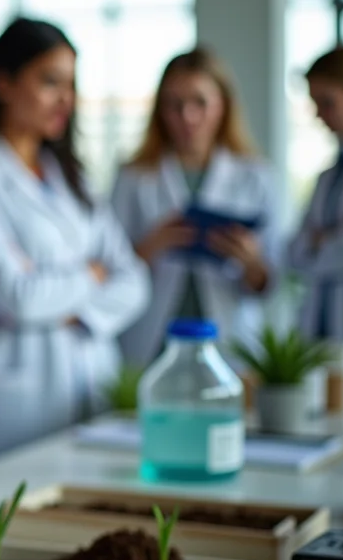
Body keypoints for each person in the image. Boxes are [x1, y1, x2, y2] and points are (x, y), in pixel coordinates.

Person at [0, 17, 150, 465]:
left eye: (70, 85)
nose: (65, 100)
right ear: (3, 83)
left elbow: (134, 279)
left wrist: (72, 305)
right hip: (17, 404)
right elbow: (18, 297)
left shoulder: (73, 179)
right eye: (49, 82)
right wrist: (92, 273)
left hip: (95, 385)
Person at [110, 48, 278, 368]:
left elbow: (272, 279)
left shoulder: (255, 176)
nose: (187, 116)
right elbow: (109, 264)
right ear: (159, 109)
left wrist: (250, 262)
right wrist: (150, 247)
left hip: (228, 337)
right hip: (152, 337)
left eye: (200, 102)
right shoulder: (133, 177)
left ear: (223, 105)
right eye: (174, 105)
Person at [289, 46, 343, 370]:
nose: (319, 114)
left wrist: (321, 240)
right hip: (321, 328)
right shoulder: (329, 175)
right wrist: (328, 237)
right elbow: (294, 251)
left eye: (327, 102)